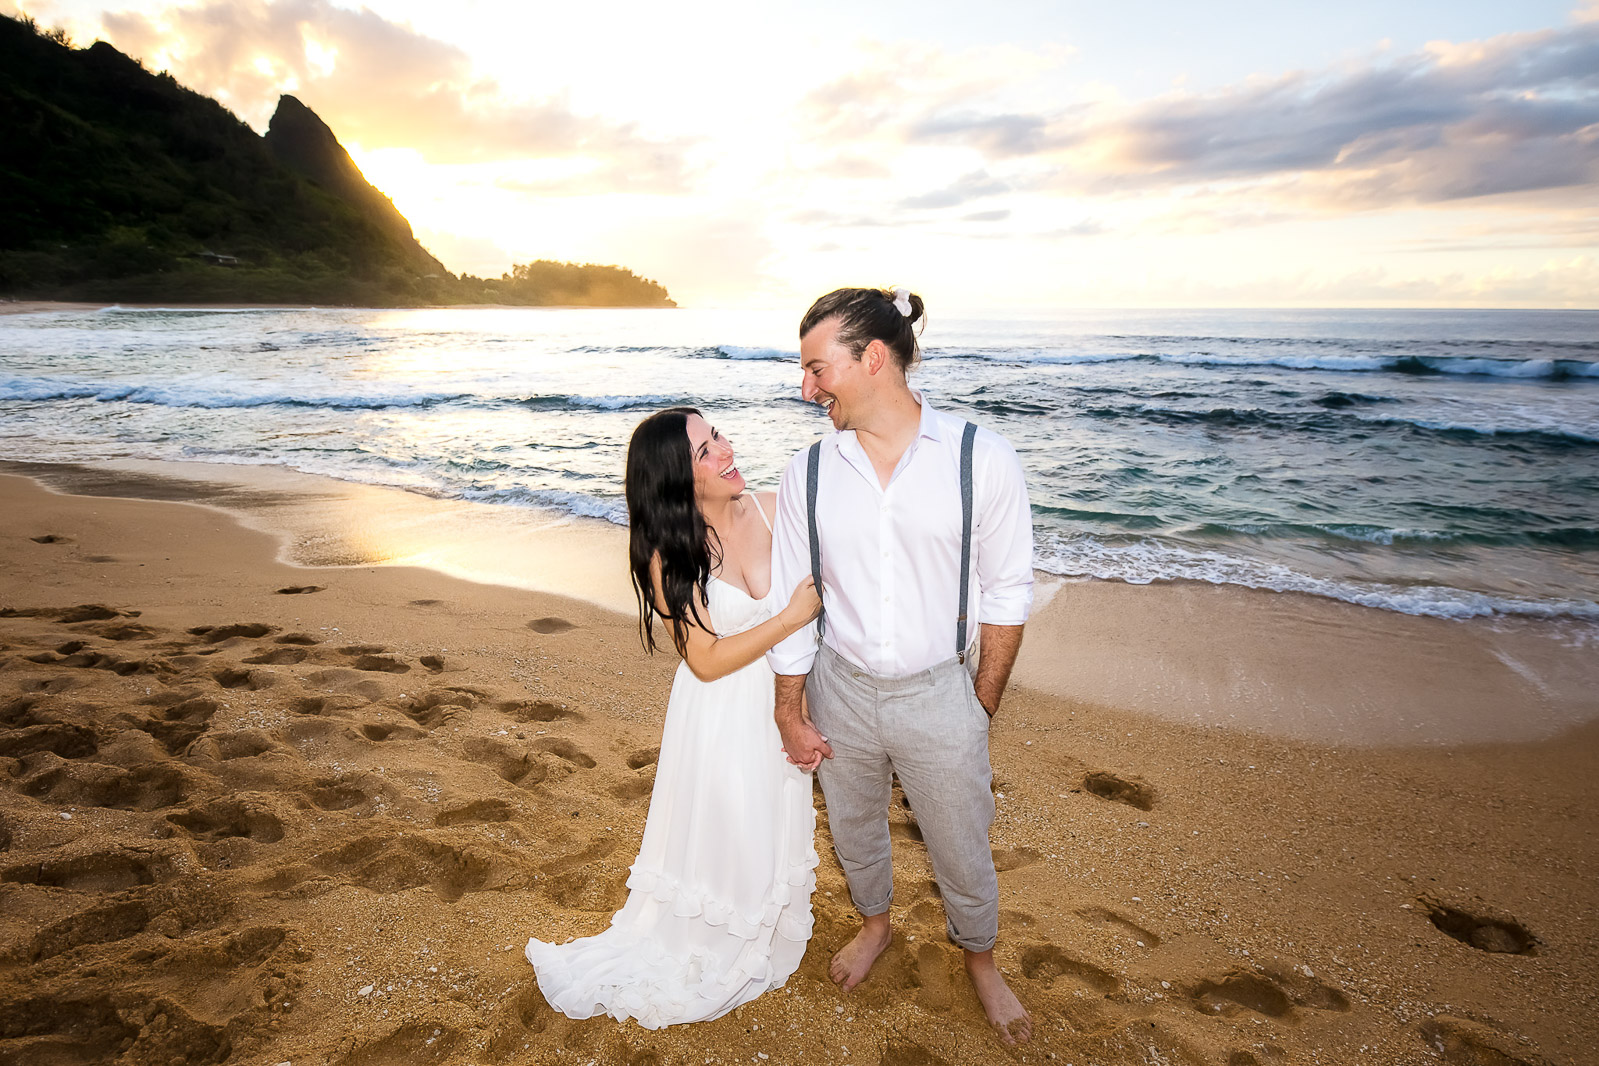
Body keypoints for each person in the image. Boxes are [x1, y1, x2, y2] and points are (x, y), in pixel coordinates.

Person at [767, 287, 1036, 1045]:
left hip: (939, 690)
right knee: (853, 828)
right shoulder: (808, 473)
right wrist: (791, 706)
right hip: (839, 686)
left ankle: (980, 960)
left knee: (960, 839)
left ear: (872, 359)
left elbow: (1008, 590)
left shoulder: (978, 457)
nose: (805, 387)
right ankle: (875, 923)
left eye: (818, 368)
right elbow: (796, 604)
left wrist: (977, 704)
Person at [524, 407, 822, 1028]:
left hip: (778, 699)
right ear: (677, 479)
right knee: (728, 824)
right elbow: (707, 659)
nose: (726, 449)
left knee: (766, 820)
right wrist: (789, 619)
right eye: (705, 450)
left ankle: (761, 923)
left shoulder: (773, 507)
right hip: (718, 712)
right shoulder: (669, 553)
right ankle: (713, 937)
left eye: (718, 435)